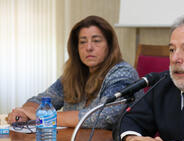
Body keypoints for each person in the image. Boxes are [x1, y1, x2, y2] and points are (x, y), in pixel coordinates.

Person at [7, 15, 142, 129]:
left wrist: (41, 116)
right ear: (76, 48)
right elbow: (42, 100)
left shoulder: (123, 74)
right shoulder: (75, 74)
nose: (88, 47)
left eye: (96, 41)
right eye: (82, 42)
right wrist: (24, 113)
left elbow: (102, 117)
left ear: (110, 46)